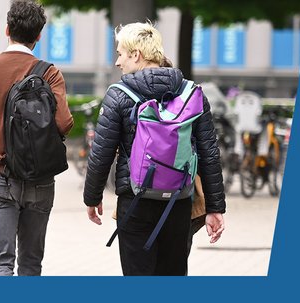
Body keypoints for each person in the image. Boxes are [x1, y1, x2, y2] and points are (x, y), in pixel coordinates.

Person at [83, 21, 226, 275]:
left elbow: (101, 153)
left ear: (136, 54)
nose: (118, 62)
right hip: (179, 202)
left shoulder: (118, 95)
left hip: (135, 202)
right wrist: (215, 208)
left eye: (120, 54)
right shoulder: (192, 94)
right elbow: (209, 154)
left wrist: (92, 198)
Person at [0, 0, 73, 276]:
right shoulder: (49, 73)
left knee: (1, 263)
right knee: (31, 263)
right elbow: (63, 123)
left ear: (6, 30)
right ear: (38, 36)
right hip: (39, 179)